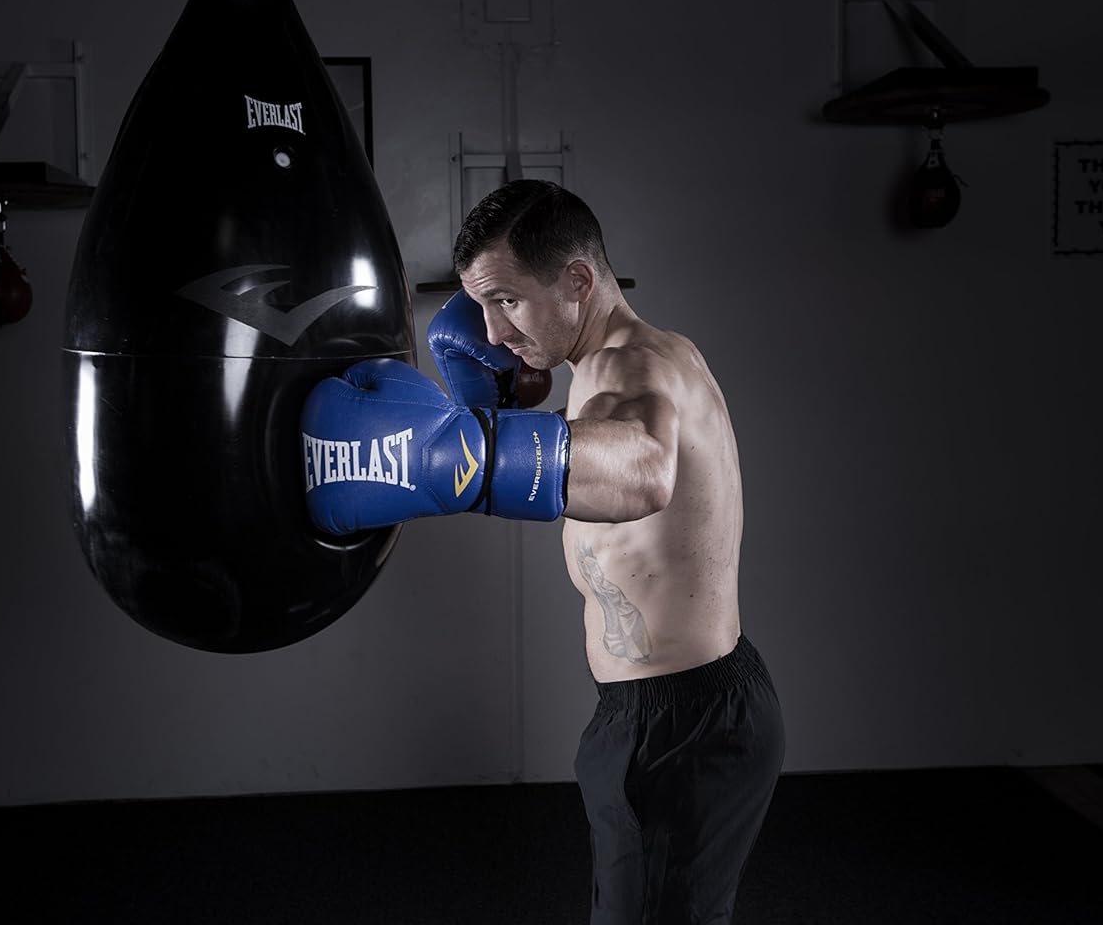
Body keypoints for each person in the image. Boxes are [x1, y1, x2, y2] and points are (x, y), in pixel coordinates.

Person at [301, 179, 784, 924]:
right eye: (482, 306)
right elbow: (593, 448)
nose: (493, 333)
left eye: (507, 301)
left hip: (680, 727)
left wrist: (464, 457)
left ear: (579, 281)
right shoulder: (639, 357)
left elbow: (646, 468)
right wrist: (501, 414)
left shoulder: (630, 368)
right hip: (678, 708)